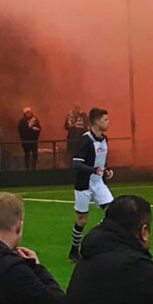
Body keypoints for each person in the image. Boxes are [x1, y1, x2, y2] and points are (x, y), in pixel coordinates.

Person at [69, 108, 114, 262]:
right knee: (81, 219)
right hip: (84, 184)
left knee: (113, 211)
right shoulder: (86, 140)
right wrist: (93, 170)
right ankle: (74, 250)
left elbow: (100, 160)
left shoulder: (104, 139)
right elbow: (76, 163)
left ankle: (95, 238)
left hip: (99, 182)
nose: (108, 122)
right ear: (96, 121)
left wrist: (106, 169)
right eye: (105, 119)